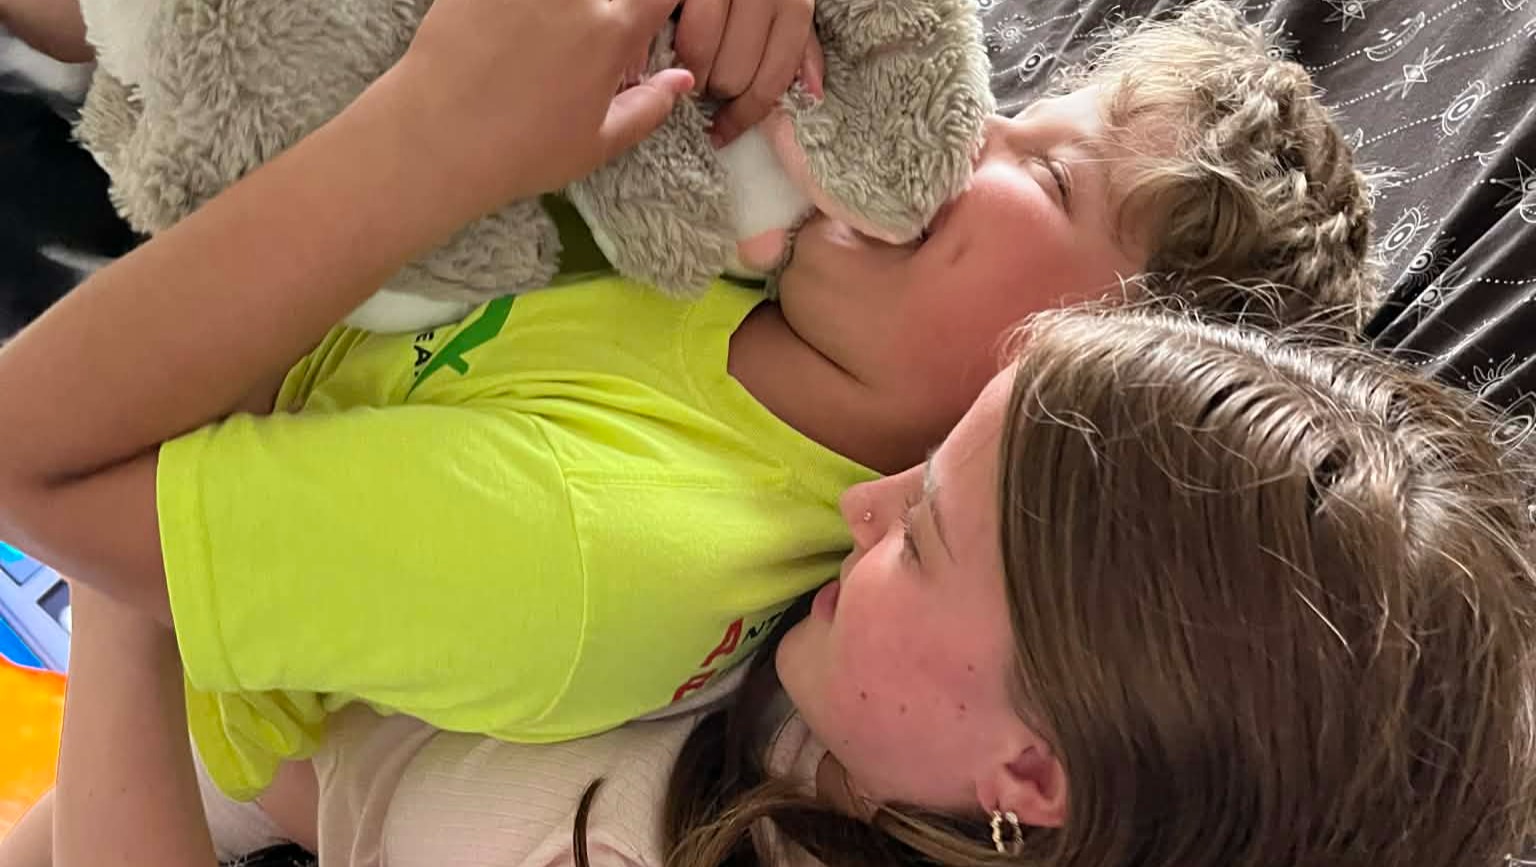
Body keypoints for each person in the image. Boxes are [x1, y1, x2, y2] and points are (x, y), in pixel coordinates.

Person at [0, 0, 1374, 813]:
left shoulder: (594, 548)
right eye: (1014, 108)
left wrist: (433, 144)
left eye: (1050, 177)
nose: (963, 135)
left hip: (129, 573)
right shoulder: (782, 269)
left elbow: (32, 462)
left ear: (1074, 392)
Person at [30, 304, 1536, 867]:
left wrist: (144, 570)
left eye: (919, 536)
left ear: (1032, 773)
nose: (861, 503)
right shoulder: (910, 707)